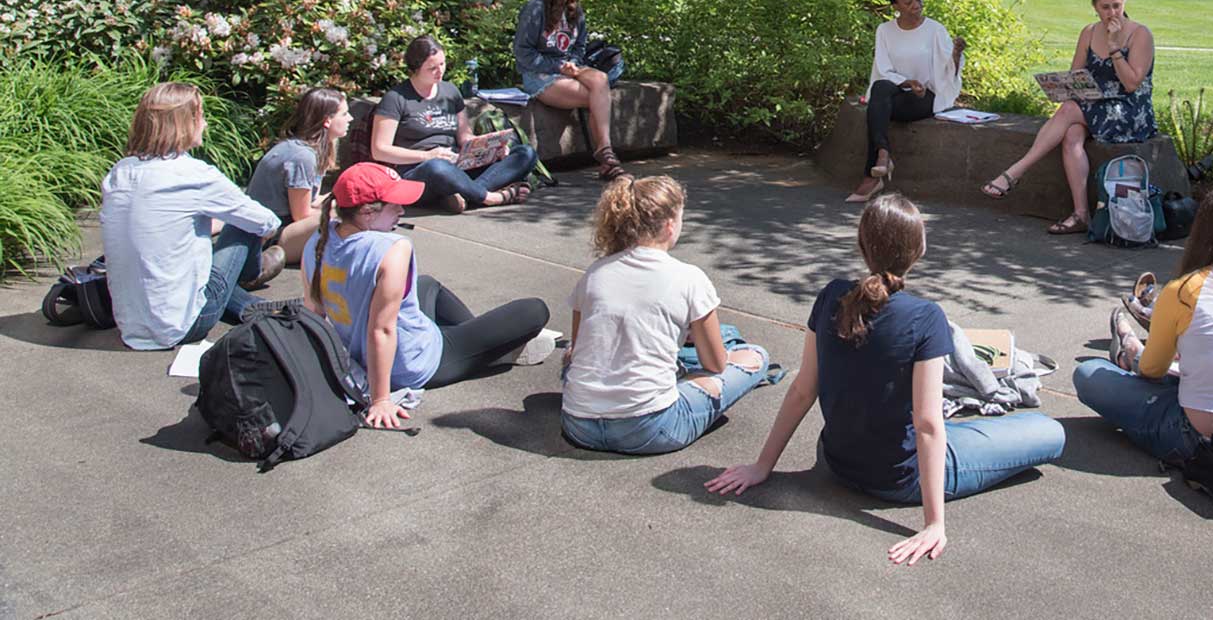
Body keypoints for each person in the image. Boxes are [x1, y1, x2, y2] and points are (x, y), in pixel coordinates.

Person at [706, 194, 1065, 565]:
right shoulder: (926, 317)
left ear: (861, 245)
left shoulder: (831, 296)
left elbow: (802, 389)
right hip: (898, 478)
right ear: (920, 250)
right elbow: (927, 423)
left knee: (965, 433)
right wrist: (934, 523)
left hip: (838, 461)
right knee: (1049, 431)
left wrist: (762, 466)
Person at [302, 163, 553, 428]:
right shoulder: (392, 248)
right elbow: (382, 331)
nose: (402, 210)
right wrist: (380, 400)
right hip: (416, 362)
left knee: (427, 284)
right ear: (366, 212)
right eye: (394, 206)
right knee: (535, 310)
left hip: (365, 350)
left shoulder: (318, 239)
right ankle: (490, 352)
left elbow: (313, 314)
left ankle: (485, 345)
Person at [1073, 185, 1213, 464]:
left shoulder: (1185, 290)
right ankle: (1131, 348)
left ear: (1202, 230)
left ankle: (1129, 349)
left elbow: (1153, 370)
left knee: (1089, 373)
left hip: (1199, 435)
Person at [561, 175, 772, 455]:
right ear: (670, 226)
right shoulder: (689, 278)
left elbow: (576, 352)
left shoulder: (594, 273)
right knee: (755, 356)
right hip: (650, 427)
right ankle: (680, 372)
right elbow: (716, 364)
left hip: (578, 424)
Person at [101, 83, 281, 350]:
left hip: (131, 324)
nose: (205, 124)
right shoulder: (193, 174)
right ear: (185, 123)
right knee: (243, 226)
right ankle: (253, 274)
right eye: (201, 117)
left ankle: (250, 306)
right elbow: (267, 221)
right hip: (186, 324)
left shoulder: (120, 172)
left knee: (215, 229)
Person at [982, 0, 1155, 234]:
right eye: (1105, 7)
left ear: (1125, 2)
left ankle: (1015, 172)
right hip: (1094, 105)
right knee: (1072, 133)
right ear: (1095, 7)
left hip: (1129, 110)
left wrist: (1115, 48)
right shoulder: (1088, 32)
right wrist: (1060, 88)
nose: (1112, 13)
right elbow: (1076, 76)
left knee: (1070, 111)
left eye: (1117, 6)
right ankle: (1081, 214)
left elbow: (1131, 84)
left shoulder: (1140, 34)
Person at [371, 36, 537, 212]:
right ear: (415, 69)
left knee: (525, 153)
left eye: (442, 64)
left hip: (456, 163)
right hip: (419, 170)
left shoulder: (450, 91)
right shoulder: (396, 98)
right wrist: (427, 156)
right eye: (432, 68)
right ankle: (490, 197)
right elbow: (379, 150)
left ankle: (463, 194)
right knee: (438, 168)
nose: (440, 71)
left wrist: (491, 149)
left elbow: (464, 137)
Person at [850, 0, 965, 203]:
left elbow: (947, 71)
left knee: (878, 107)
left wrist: (956, 54)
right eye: (908, 2)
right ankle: (883, 155)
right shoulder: (884, 30)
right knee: (881, 88)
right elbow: (883, 70)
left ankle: (872, 174)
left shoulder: (935, 30)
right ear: (896, 6)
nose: (916, 6)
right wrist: (906, 82)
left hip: (924, 98)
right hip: (895, 92)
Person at [515, 0, 628, 181]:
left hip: (569, 68)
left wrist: (573, 63)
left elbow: (579, 47)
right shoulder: (536, 9)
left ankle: (605, 152)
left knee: (601, 79)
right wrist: (558, 66)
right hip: (540, 75)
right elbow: (522, 52)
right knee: (597, 97)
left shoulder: (577, 11)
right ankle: (607, 157)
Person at [246, 87, 350, 270]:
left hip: (282, 226)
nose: (350, 119)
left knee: (348, 207)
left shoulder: (310, 149)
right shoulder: (302, 157)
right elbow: (301, 215)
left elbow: (312, 200)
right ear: (327, 120)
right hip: (270, 236)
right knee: (345, 217)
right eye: (344, 114)